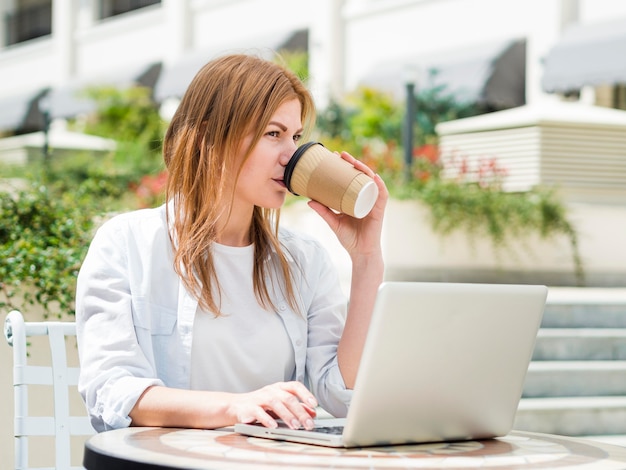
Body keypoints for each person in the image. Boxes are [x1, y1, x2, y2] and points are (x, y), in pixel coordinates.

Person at [75, 53, 388, 433]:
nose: (292, 156)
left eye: (296, 136)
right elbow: (112, 388)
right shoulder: (128, 244)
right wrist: (236, 408)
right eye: (273, 134)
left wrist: (367, 259)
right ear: (211, 136)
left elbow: (340, 394)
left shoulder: (304, 259)